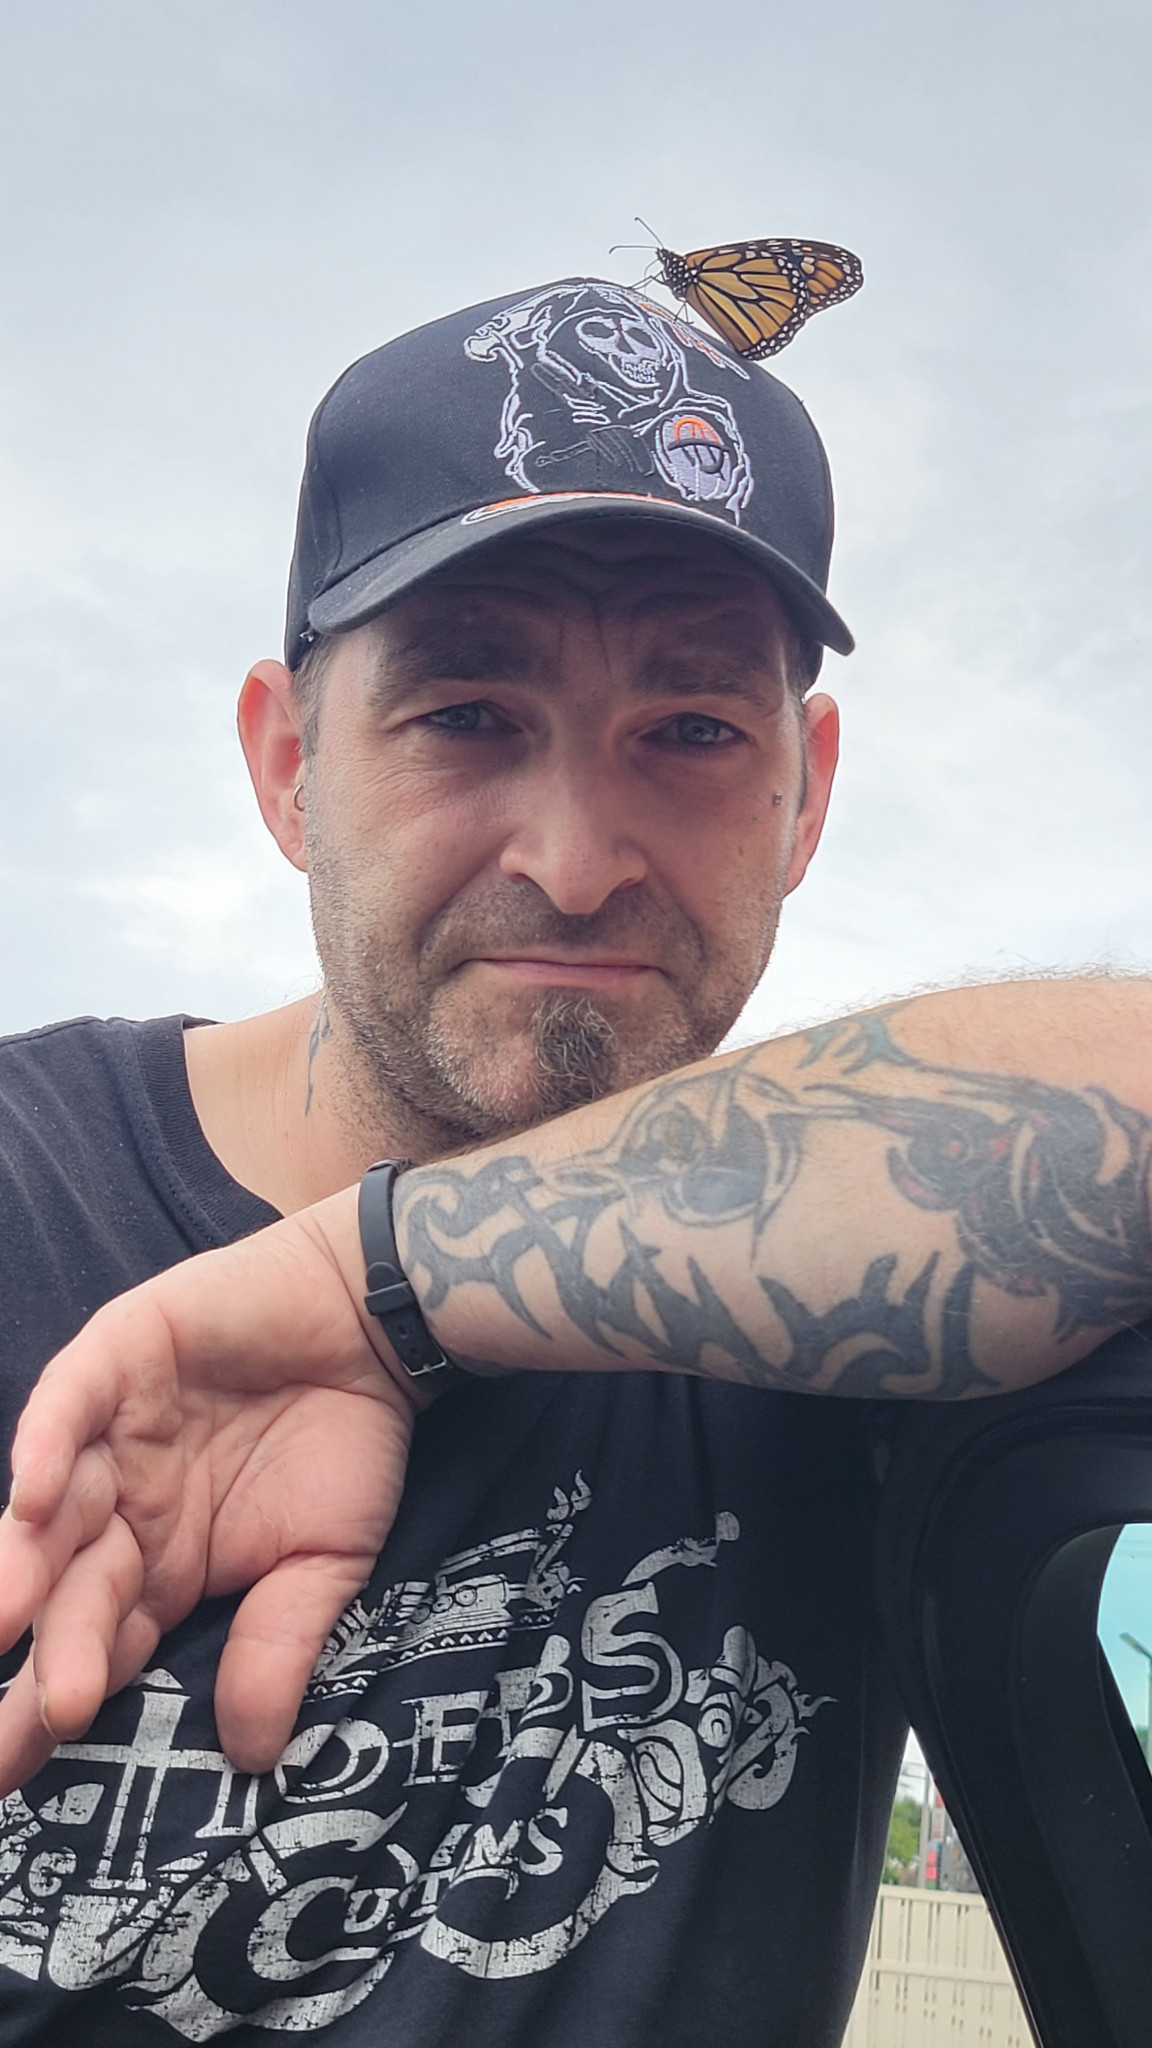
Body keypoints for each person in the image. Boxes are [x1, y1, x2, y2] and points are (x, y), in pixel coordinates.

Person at [1, 273, 1150, 2047]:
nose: (578, 856)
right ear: (289, 765)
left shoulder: (840, 1272)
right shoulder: (29, 1195)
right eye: (466, 715)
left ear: (808, 795)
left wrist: (380, 1286)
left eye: (693, 733)